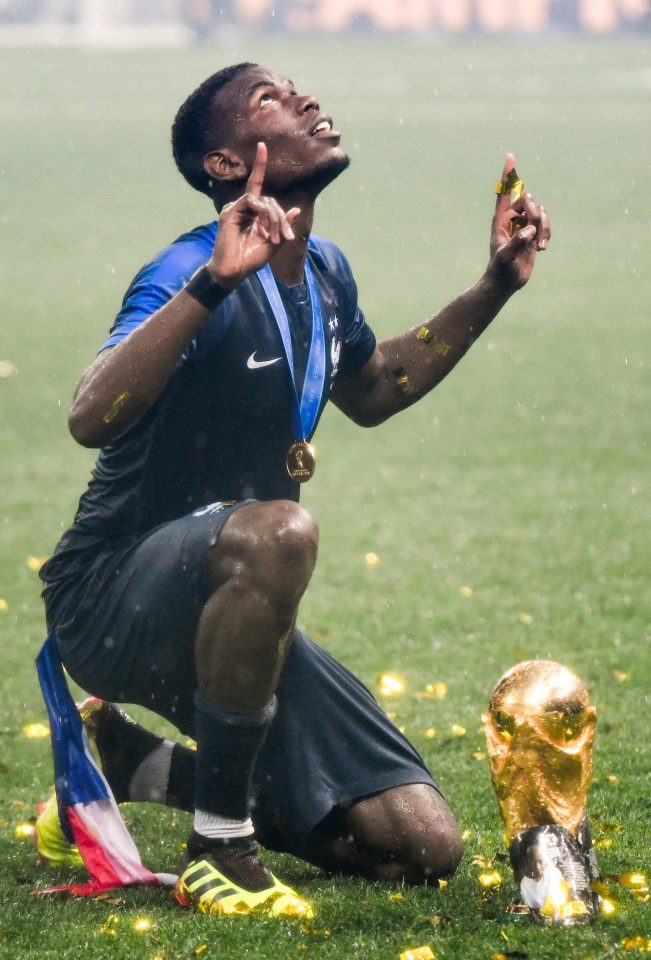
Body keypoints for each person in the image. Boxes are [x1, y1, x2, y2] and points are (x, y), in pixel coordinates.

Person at [39, 61, 550, 917]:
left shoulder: (323, 273)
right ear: (227, 166)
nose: (306, 99)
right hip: (109, 595)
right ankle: (219, 847)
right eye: (270, 100)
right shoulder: (186, 267)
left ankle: (127, 765)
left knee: (417, 845)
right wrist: (213, 286)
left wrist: (494, 282)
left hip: (232, 610)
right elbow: (91, 415)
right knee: (281, 532)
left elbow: (378, 384)